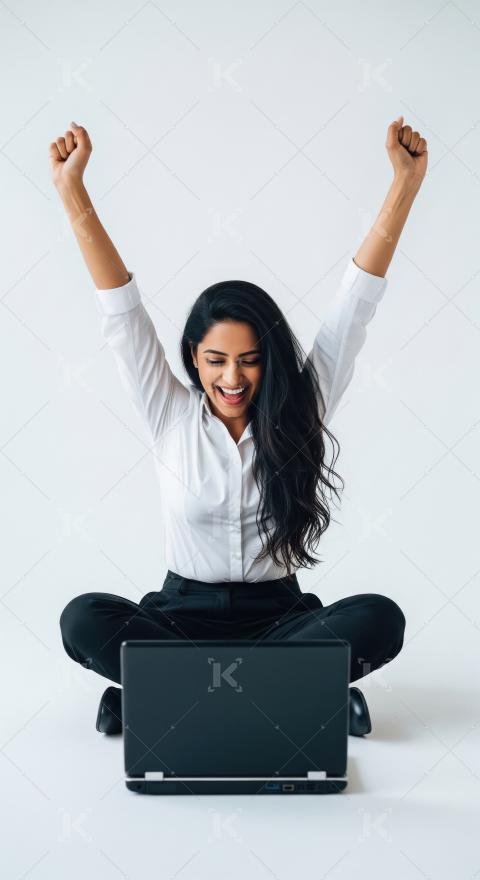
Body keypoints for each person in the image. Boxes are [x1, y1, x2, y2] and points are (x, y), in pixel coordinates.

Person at [50, 116, 427, 737]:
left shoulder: (301, 405)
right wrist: (73, 191)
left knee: (380, 618)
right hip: (180, 620)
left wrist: (404, 185)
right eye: (216, 360)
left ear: (269, 358)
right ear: (193, 359)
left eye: (250, 359)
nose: (233, 377)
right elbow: (120, 309)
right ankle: (294, 694)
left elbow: (354, 308)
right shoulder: (168, 410)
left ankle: (165, 693)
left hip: (279, 621)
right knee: (82, 618)